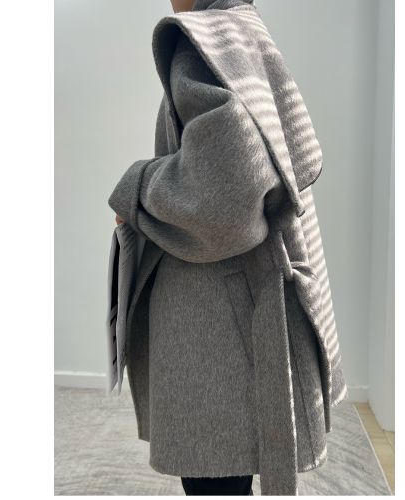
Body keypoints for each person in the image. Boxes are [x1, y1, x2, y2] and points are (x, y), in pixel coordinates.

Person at [108, 0, 348, 495]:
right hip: (243, 306)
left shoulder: (201, 45)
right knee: (230, 472)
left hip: (218, 320)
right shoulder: (242, 29)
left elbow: (226, 193)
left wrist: (138, 187)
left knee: (214, 480)